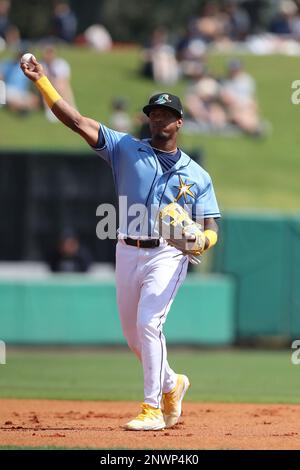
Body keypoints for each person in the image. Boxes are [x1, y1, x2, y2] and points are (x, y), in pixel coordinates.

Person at [20, 56, 220, 431]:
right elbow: (76, 121)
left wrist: (203, 240)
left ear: (179, 122)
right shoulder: (125, 147)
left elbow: (211, 224)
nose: (157, 119)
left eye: (165, 114)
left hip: (168, 253)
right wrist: (43, 82)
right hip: (126, 249)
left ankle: (152, 409)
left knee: (149, 324)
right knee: (134, 338)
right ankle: (172, 383)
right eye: (153, 114)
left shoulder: (197, 174)